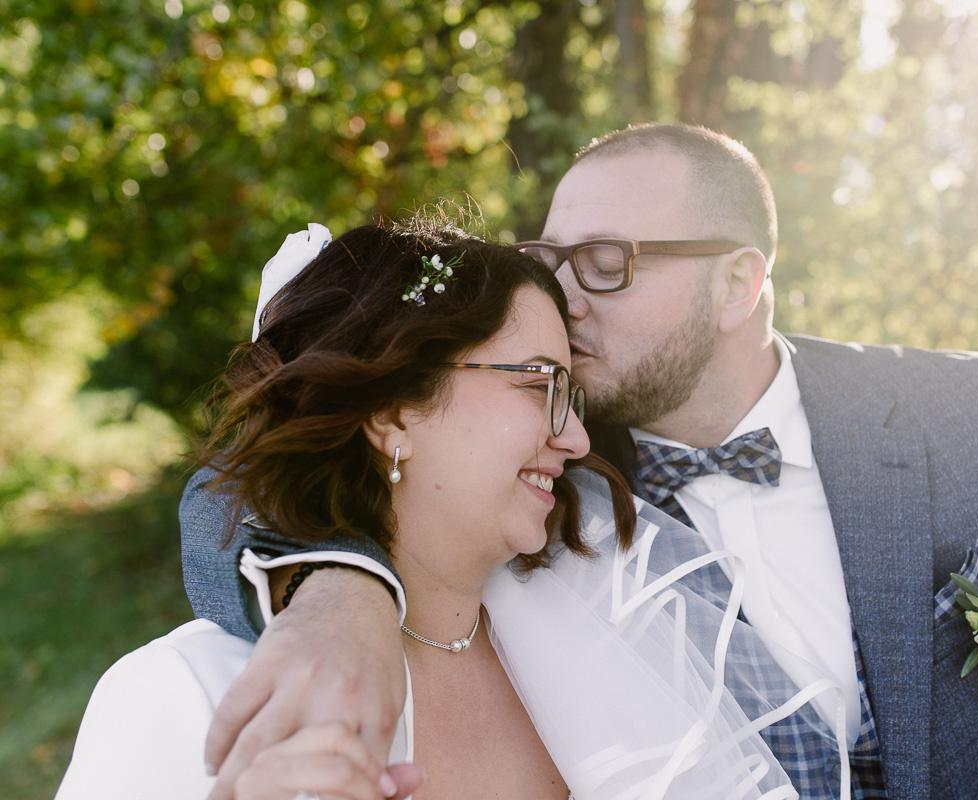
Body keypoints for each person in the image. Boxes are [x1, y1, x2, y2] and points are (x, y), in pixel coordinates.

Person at [179, 125, 978, 799]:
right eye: (552, 259)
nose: (565, 293)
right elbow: (245, 481)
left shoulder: (960, 415)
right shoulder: (542, 461)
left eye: (603, 259)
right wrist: (340, 589)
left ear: (737, 282)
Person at [56, 219, 849, 800]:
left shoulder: (605, 643)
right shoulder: (187, 694)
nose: (575, 438)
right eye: (541, 384)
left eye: (573, 397)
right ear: (394, 409)